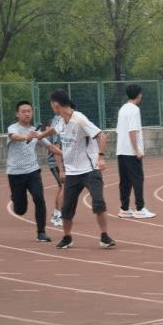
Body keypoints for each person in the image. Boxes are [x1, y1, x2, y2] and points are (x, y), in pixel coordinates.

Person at [49, 89, 115, 249]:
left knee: (98, 202)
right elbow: (54, 130)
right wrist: (40, 136)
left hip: (90, 169)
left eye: (52, 104)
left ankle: (105, 236)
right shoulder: (60, 120)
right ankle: (67, 237)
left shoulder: (79, 119)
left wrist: (100, 157)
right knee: (66, 208)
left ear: (56, 105)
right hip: (72, 172)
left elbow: (102, 135)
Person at [6, 101, 58, 242]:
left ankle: (41, 232)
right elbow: (15, 137)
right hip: (15, 173)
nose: (27, 114)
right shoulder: (13, 128)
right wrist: (26, 137)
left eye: (29, 111)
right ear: (17, 114)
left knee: (39, 198)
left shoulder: (36, 131)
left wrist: (66, 155)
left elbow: (51, 147)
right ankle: (15, 197)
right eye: (23, 111)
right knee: (20, 210)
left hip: (33, 171)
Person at [116, 84, 155, 219]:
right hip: (131, 152)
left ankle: (124, 209)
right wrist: (137, 150)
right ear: (138, 95)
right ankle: (140, 209)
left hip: (121, 150)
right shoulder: (134, 109)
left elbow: (120, 130)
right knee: (138, 179)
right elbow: (132, 130)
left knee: (125, 181)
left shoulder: (123, 109)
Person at [45, 113, 64, 227]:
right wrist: (61, 169)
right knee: (64, 187)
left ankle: (56, 213)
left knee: (63, 187)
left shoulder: (61, 121)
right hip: (57, 162)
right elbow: (56, 146)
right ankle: (58, 215)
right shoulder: (58, 122)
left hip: (63, 161)